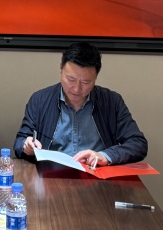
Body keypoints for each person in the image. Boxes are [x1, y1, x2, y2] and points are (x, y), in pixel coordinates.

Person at [13, 42, 147, 167]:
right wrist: (26, 145)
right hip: (51, 176)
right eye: (71, 79)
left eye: (85, 82)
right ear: (60, 69)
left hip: (97, 176)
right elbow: (19, 142)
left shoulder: (112, 102)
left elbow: (138, 144)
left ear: (96, 77)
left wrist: (104, 156)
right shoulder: (40, 100)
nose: (76, 89)